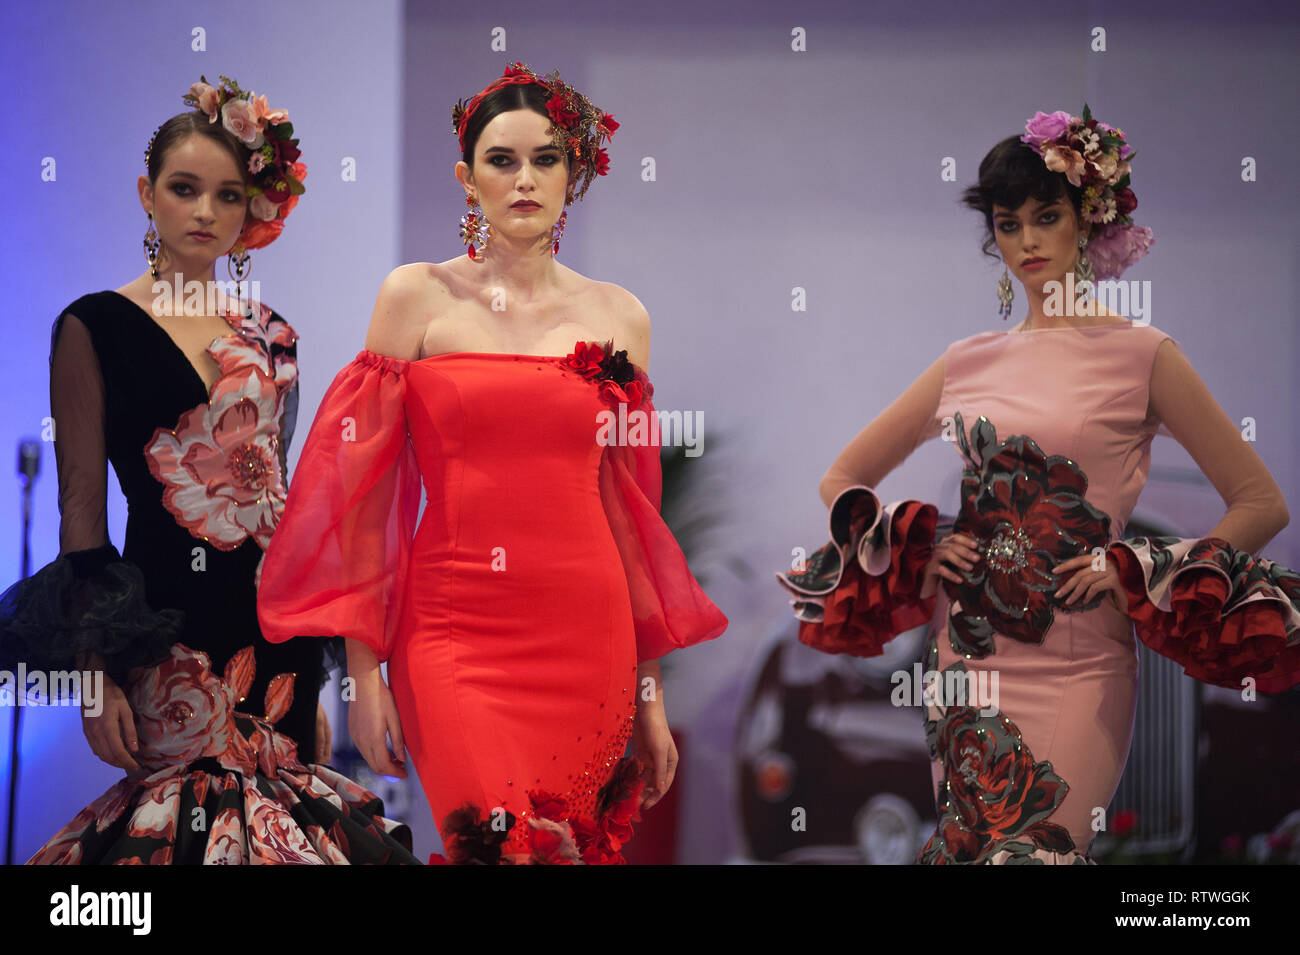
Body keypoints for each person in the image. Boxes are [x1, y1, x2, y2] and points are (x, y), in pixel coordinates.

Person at [777, 106, 1299, 864]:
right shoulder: (968, 360)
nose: (1026, 240)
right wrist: (924, 552)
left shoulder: (1145, 356)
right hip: (966, 656)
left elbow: (1262, 501)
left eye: (1046, 216)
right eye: (1008, 221)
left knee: (1035, 855)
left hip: (1082, 664)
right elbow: (843, 478)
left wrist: (1142, 574)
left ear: (1086, 221)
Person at [257, 62, 728, 864]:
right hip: (451, 634)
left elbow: (632, 516)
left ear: (572, 174)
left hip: (589, 637)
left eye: (546, 159)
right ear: (465, 177)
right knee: (489, 844)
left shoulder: (621, 315)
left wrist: (649, 695)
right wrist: (364, 678)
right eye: (502, 160)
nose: (525, 179)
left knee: (561, 849)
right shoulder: (416, 297)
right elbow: (361, 497)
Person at [0, 75, 417, 864]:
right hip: (165, 632)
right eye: (184, 188)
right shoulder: (94, 326)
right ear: (146, 194)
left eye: (227, 196)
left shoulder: (273, 334)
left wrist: (319, 677)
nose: (204, 212)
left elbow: (287, 509)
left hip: (277, 630)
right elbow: (83, 516)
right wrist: (95, 679)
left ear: (250, 210)